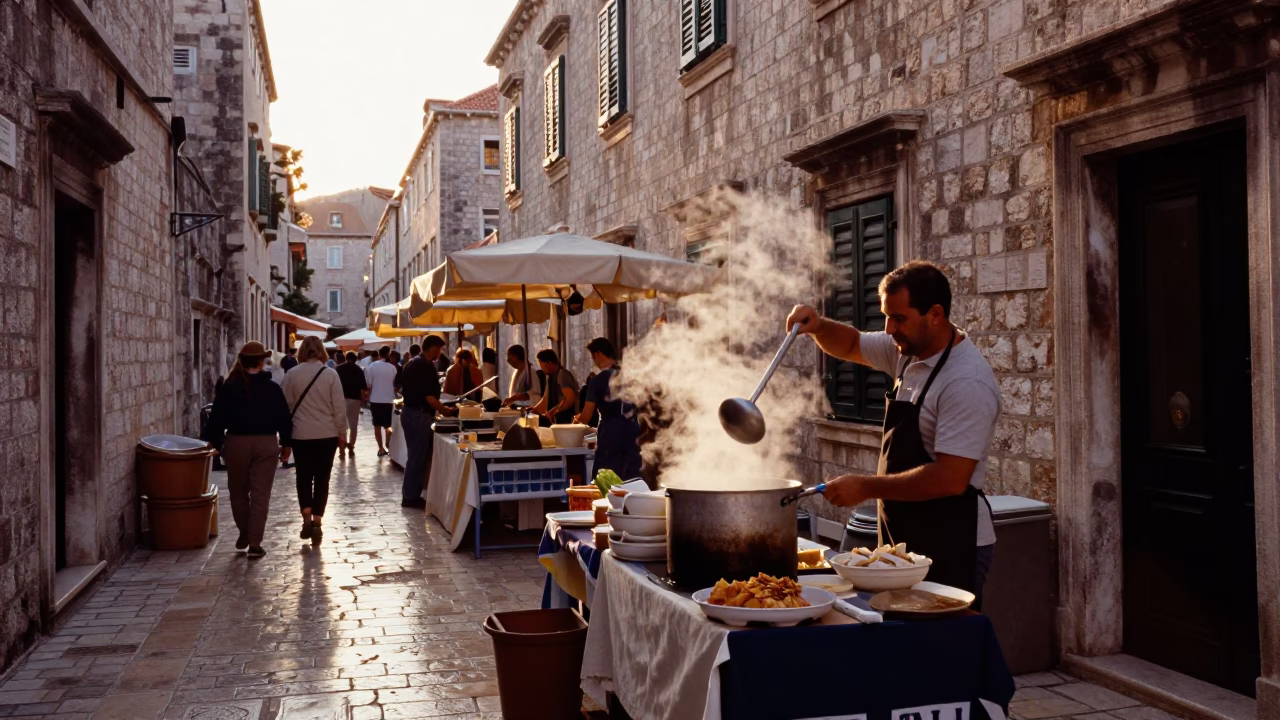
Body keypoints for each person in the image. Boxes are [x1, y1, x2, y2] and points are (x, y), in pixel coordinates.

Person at [787, 260, 1001, 605]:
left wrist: (865, 486)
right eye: (886, 316)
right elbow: (851, 344)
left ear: (935, 314)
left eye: (899, 318)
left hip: (952, 541)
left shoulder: (966, 382)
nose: (889, 329)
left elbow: (950, 478)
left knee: (945, 637)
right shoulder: (908, 352)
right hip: (903, 538)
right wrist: (818, 326)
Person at [201, 341, 292, 559]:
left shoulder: (229, 387)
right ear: (261, 362)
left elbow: (217, 418)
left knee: (238, 492)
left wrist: (213, 442)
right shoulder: (272, 388)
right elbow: (284, 417)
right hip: (266, 443)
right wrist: (287, 443)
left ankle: (245, 532)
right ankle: (254, 542)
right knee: (261, 495)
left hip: (236, 443)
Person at [282, 336, 347, 545]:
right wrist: (342, 433)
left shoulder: (292, 374)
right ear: (321, 351)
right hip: (326, 434)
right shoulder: (331, 375)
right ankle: (317, 521)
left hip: (300, 434)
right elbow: (339, 407)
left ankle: (306, 518)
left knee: (303, 477)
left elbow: (286, 405)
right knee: (322, 479)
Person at [398, 335, 456, 507]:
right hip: (418, 415)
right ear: (432, 348)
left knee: (414, 455)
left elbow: (401, 388)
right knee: (417, 456)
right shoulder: (425, 366)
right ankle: (410, 497)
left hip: (409, 412)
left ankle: (410, 494)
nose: (440, 352)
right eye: (439, 348)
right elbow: (429, 397)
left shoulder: (411, 363)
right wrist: (445, 410)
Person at [575, 338, 641, 479]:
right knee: (631, 478)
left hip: (610, 434)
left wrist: (576, 421)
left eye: (593, 357)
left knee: (606, 479)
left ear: (598, 354)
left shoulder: (597, 381)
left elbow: (586, 416)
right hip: (633, 430)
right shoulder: (631, 376)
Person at [364, 346, 399, 456]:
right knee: (388, 425)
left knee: (377, 425)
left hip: (375, 399)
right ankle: (388, 443)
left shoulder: (372, 366)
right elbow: (395, 384)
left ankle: (381, 448)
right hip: (389, 399)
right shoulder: (392, 368)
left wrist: (367, 397)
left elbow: (369, 384)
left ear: (379, 354)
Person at [530, 349, 577, 426]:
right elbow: (545, 399)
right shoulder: (550, 378)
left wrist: (553, 412)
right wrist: (532, 411)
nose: (542, 369)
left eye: (542, 366)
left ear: (547, 364)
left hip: (567, 421)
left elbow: (570, 399)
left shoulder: (563, 375)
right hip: (557, 421)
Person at [336, 351, 367, 458]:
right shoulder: (359, 370)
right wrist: (363, 399)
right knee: (354, 425)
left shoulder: (338, 369)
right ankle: (351, 446)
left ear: (346, 358)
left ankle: (342, 451)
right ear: (355, 359)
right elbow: (362, 388)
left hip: (341, 400)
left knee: (342, 425)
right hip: (355, 400)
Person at [500, 344, 541, 408]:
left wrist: (516, 398)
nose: (508, 361)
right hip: (518, 406)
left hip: (531, 407)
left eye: (510, 357)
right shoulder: (515, 373)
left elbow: (535, 392)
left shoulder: (531, 373)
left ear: (517, 356)